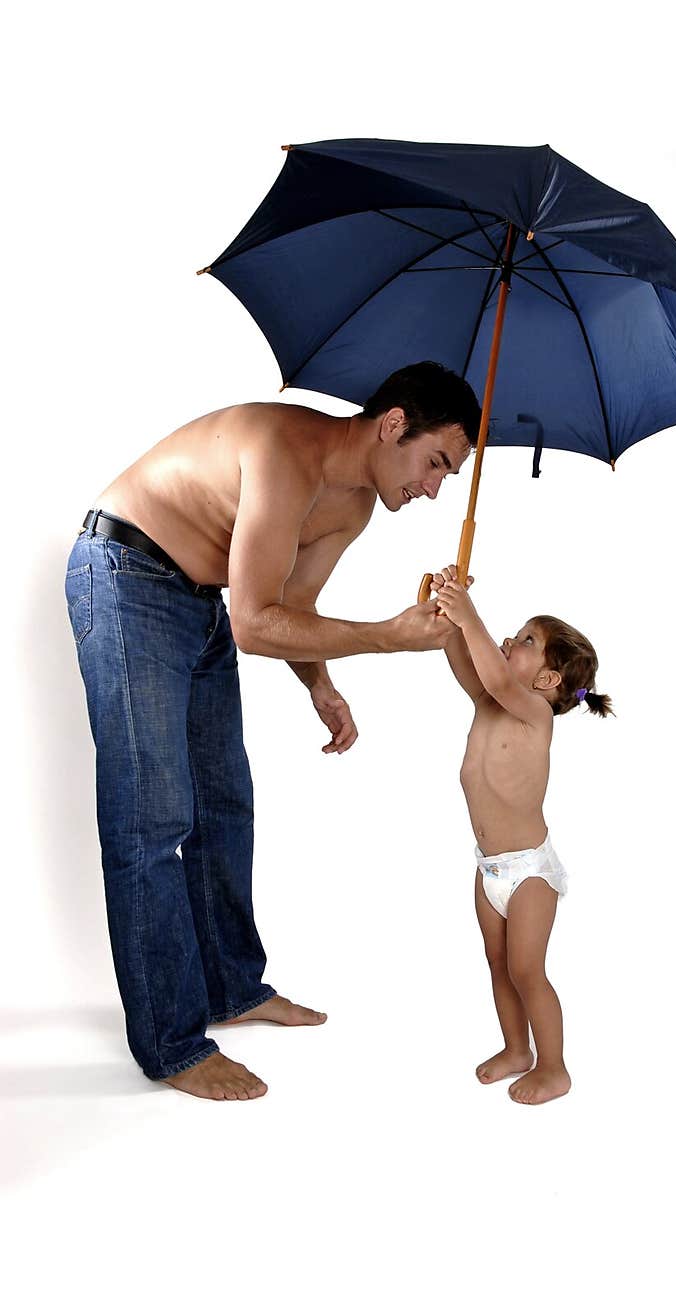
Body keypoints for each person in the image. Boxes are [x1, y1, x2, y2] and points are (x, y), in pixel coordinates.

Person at [64, 362, 480, 1100]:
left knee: (226, 804)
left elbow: (291, 602)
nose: (434, 488)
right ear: (392, 425)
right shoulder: (283, 449)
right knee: (152, 822)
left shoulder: (354, 505)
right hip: (126, 574)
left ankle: (231, 986)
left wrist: (321, 685)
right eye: (436, 461)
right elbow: (257, 624)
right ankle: (170, 1042)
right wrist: (389, 635)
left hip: (200, 601)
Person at [432, 566, 612, 1105]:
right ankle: (517, 1050)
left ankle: (554, 1067)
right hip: (490, 870)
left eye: (527, 640)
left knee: (526, 968)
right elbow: (465, 659)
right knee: (497, 964)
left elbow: (498, 676)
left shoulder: (532, 711)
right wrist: (445, 612)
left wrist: (472, 615)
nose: (511, 640)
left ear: (549, 681)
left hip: (531, 871)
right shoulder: (492, 698)